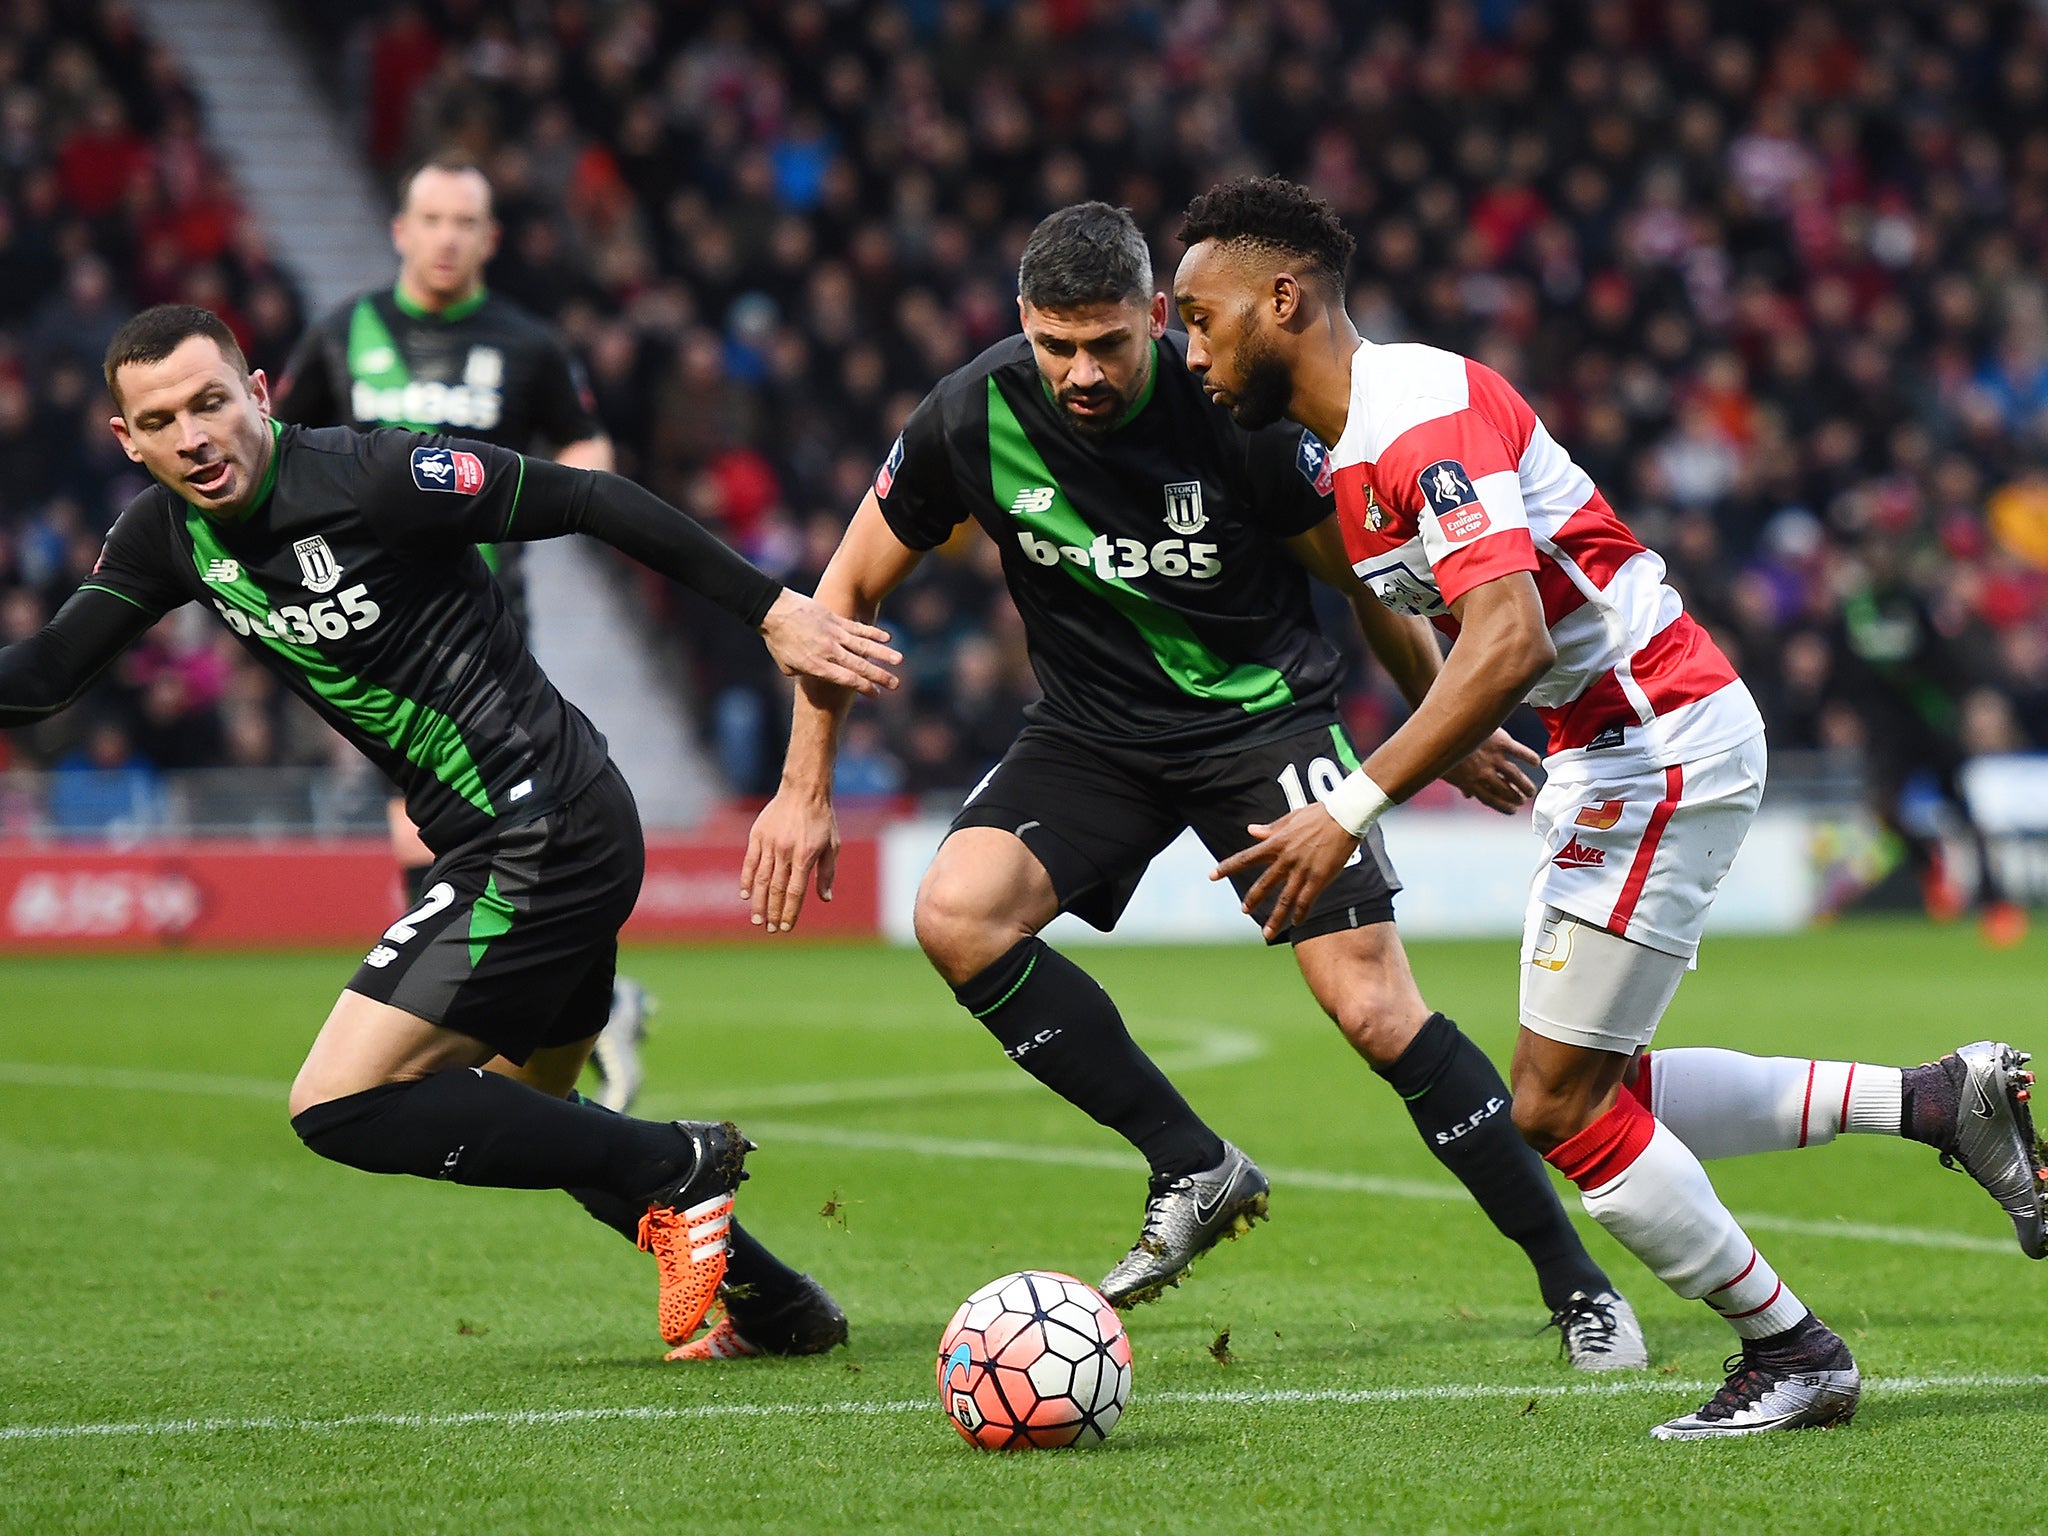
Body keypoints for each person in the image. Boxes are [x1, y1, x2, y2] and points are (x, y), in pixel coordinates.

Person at [1172, 175, 2045, 1438]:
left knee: (1556, 1109)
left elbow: (1510, 633)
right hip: (1616, 748)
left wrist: (1348, 805)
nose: (1187, 349)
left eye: (1199, 318)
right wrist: (1455, 738)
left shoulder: (1419, 414)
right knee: (1595, 1085)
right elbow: (1472, 629)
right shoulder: (1345, 449)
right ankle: (1932, 1102)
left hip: (1656, 742)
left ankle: (1793, 1351)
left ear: (1282, 296)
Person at [746, 203, 1649, 1368]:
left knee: (1374, 1009)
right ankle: (1192, 1161)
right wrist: (800, 787)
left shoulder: (1237, 413)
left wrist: (1442, 718)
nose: (1080, 371)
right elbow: (840, 598)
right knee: (955, 915)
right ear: (1022, 324)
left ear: (1157, 320)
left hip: (1257, 721)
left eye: (1108, 343)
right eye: (1056, 344)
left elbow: (1365, 577)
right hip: (1090, 734)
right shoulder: (969, 414)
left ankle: (1577, 1286)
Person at [0, 304, 892, 1360]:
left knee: (339, 1103)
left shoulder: (373, 475)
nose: (195, 436)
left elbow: (590, 498)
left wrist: (769, 610)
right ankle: (781, 1307)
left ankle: (676, 1162)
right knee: (533, 1119)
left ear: (259, 395)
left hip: (541, 826)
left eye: (211, 402)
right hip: (526, 830)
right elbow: (48, 676)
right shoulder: (165, 536)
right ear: (127, 441)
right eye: (163, 420)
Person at [273, 152, 655, 1112]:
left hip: (480, 631)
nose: (447, 237)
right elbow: (277, 459)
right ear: (401, 230)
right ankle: (577, 1003)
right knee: (443, 829)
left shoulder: (525, 345)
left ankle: (490, 1026)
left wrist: (540, 491)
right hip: (370, 634)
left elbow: (587, 450)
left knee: (448, 823)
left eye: (466, 222)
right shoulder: (339, 335)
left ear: (489, 239)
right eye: (431, 218)